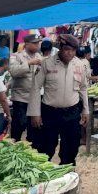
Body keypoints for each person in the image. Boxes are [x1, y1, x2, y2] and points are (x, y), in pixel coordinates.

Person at [28, 34, 88, 165]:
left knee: (71, 149)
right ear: (60, 48)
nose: (70, 53)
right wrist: (35, 114)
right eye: (67, 49)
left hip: (72, 113)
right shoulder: (46, 64)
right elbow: (35, 88)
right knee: (44, 149)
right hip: (50, 113)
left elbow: (83, 88)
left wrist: (86, 111)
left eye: (73, 50)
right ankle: (43, 178)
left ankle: (67, 178)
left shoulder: (79, 65)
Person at [9, 34, 42, 142]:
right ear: (27, 44)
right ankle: (14, 146)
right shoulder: (17, 56)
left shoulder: (39, 56)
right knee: (19, 125)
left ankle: (32, 148)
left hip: (35, 98)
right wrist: (29, 63)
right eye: (35, 43)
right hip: (21, 98)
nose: (38, 45)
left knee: (34, 127)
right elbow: (14, 72)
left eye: (38, 43)